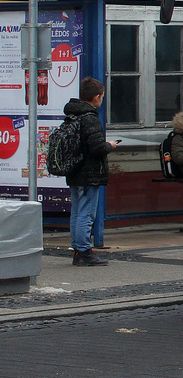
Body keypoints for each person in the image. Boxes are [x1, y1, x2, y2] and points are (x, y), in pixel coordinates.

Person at [65, 77, 117, 266]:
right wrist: (110, 146)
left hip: (74, 171)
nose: (101, 100)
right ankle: (84, 251)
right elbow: (96, 148)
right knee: (86, 214)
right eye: (102, 97)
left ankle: (78, 249)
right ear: (96, 97)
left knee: (77, 212)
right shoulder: (90, 118)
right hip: (89, 173)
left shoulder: (72, 115)